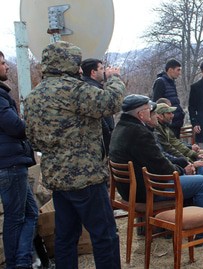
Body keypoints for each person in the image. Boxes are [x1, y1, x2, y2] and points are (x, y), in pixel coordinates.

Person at [24, 41, 122, 267]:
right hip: (85, 178)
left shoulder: (33, 97)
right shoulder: (74, 90)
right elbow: (111, 102)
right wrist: (114, 78)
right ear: (68, 62)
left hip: (57, 180)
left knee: (65, 237)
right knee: (104, 235)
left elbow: (33, 139)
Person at [108, 95, 203, 244]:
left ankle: (186, 221)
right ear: (141, 114)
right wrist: (182, 170)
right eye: (149, 110)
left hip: (130, 190)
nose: (151, 113)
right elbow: (160, 165)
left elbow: (157, 162)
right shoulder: (139, 133)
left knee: (193, 180)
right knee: (201, 183)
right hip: (147, 191)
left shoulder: (120, 128)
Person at [0, 50, 39, 269]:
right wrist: (28, 125)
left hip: (12, 162)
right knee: (16, 219)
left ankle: (23, 260)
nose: (6, 67)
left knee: (31, 213)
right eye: (3, 63)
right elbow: (14, 126)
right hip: (10, 165)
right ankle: (17, 264)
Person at [154, 101, 203, 186]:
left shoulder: (165, 127)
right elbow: (169, 149)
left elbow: (176, 142)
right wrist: (189, 160)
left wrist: (193, 153)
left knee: (194, 157)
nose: (172, 116)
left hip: (172, 158)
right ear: (160, 116)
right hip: (169, 163)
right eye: (169, 113)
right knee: (193, 159)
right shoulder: (157, 131)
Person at [81, 58, 115, 157]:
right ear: (93, 72)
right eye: (101, 69)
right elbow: (110, 105)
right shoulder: (92, 89)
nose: (104, 71)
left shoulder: (90, 86)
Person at [152, 59, 185, 138]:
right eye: (178, 70)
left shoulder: (171, 82)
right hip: (169, 124)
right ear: (170, 70)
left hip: (176, 122)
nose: (179, 73)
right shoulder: (160, 82)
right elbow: (157, 104)